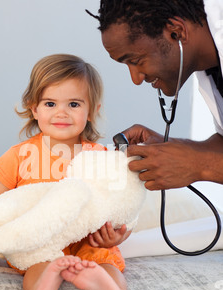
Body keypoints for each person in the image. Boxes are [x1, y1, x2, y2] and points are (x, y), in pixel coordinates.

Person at [0, 54, 130, 290]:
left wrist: (116, 234)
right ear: (34, 109)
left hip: (89, 240)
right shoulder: (19, 155)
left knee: (107, 262)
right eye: (50, 103)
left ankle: (110, 289)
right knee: (37, 264)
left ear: (92, 111)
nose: (61, 112)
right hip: (40, 241)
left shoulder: (102, 157)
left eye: (74, 104)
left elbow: (120, 205)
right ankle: (43, 285)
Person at [87, 0, 223, 191]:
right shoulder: (210, 66)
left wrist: (199, 165)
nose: (136, 79)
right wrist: (174, 149)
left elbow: (206, 163)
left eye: (136, 61)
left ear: (176, 32)